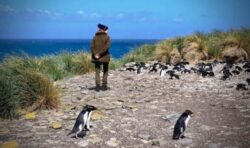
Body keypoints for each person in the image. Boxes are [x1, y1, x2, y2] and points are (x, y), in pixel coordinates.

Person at [90, 23, 111, 91]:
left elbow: (92, 47)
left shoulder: (94, 37)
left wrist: (96, 54)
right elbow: (106, 47)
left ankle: (97, 87)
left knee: (97, 72)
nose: (108, 31)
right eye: (107, 30)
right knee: (105, 71)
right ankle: (104, 86)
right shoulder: (107, 37)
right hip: (104, 57)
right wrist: (99, 54)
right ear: (104, 30)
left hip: (96, 58)